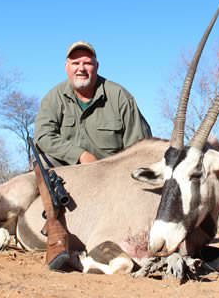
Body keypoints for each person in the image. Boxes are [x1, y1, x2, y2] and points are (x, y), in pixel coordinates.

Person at [33, 40, 152, 271]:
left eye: (87, 63)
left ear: (96, 66)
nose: (81, 68)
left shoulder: (119, 97)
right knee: (41, 163)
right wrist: (80, 155)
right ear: (66, 67)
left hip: (111, 182)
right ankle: (54, 228)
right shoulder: (53, 98)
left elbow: (140, 147)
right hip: (67, 177)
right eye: (75, 62)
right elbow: (43, 137)